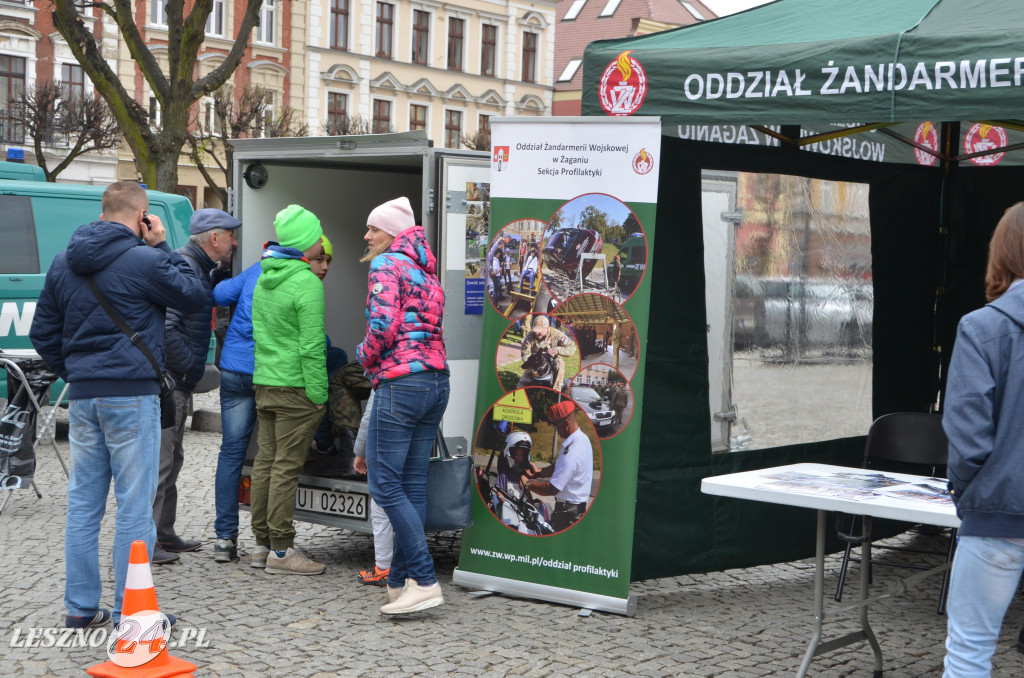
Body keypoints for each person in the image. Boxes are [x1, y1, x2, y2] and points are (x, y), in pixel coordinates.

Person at [29, 180, 206, 627]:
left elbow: (42, 335)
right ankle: (133, 611)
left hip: (85, 399)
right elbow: (193, 295)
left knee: (84, 503)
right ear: (142, 215)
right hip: (132, 396)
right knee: (133, 505)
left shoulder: (63, 261)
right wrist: (164, 245)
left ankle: (81, 608)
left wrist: (79, 373)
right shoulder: (146, 259)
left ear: (103, 211)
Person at [942, 202, 1024, 677]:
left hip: (1000, 514)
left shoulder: (983, 327)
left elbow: (968, 437)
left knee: (971, 651)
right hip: (999, 509)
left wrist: (967, 494)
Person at [357, 196, 450, 615]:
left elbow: (383, 325)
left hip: (401, 383)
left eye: (373, 228)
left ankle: (426, 580)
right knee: (412, 485)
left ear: (391, 233)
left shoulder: (387, 265)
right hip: (436, 381)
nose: (367, 236)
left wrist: (362, 355)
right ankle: (402, 581)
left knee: (384, 485)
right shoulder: (426, 270)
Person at [153, 209, 241, 565]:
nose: (235, 242)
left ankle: (164, 534)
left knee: (172, 459)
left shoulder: (198, 267)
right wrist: (191, 368)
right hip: (174, 381)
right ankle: (148, 542)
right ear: (213, 239)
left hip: (178, 380)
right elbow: (167, 328)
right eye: (230, 236)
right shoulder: (186, 268)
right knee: (161, 463)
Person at [250, 204, 328, 575]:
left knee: (266, 463)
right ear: (308, 242)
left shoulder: (266, 277)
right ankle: (282, 551)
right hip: (296, 388)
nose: (320, 241)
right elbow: (312, 347)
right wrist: (319, 394)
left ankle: (262, 545)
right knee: (284, 468)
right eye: (317, 234)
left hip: (265, 382)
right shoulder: (307, 282)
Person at [520, 401, 593, 532]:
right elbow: (560, 466)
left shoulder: (572, 452)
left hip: (567, 514)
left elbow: (552, 489)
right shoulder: (582, 439)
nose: (555, 430)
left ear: (566, 422)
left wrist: (527, 484)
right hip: (573, 509)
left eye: (556, 425)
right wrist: (540, 472)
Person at [352, 390, 393, 585]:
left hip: (387, 443)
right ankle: (413, 566)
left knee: (380, 505)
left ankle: (384, 568)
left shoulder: (386, 369)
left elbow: (370, 415)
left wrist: (360, 451)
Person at [518, 314, 576, 391]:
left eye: (539, 331)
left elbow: (572, 347)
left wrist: (557, 350)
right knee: (522, 382)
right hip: (536, 362)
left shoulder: (557, 334)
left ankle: (556, 389)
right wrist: (532, 369)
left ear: (547, 328)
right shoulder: (530, 336)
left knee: (560, 364)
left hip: (552, 361)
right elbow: (525, 354)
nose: (537, 333)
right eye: (535, 331)